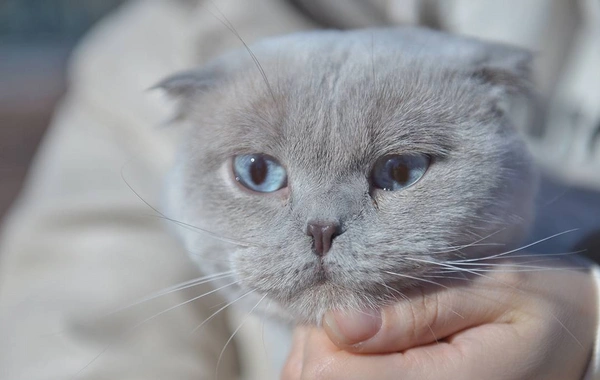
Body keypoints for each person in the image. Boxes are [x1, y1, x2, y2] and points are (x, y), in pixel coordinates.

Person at [0, 1, 598, 379]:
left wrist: (589, 340)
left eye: (400, 170)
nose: (322, 227)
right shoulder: (156, 45)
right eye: (259, 173)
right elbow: (75, 312)